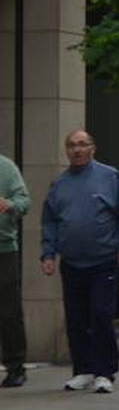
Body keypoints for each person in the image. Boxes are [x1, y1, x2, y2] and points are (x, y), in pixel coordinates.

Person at [41, 130, 119, 393]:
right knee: (76, 318)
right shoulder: (60, 184)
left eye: (82, 145)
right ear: (66, 150)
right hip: (72, 261)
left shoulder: (109, 176)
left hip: (103, 259)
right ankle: (82, 369)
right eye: (72, 145)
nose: (77, 150)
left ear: (92, 149)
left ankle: (105, 372)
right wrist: (48, 253)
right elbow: (49, 220)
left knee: (100, 314)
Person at [0, 153, 30, 388]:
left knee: (9, 311)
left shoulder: (6, 167)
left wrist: (9, 205)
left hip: (4, 249)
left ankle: (16, 366)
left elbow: (24, 202)